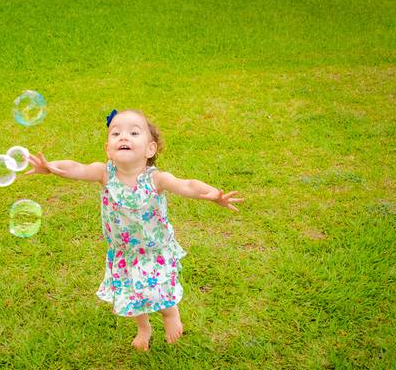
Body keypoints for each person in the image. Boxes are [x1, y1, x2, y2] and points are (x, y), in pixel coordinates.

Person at [25, 109, 243, 351]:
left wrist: (212, 194)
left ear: (150, 149)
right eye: (116, 133)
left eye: (134, 133)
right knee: (132, 293)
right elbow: (76, 167)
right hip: (124, 252)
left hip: (154, 250)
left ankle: (170, 314)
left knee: (159, 288)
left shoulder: (156, 179)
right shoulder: (104, 173)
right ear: (108, 149)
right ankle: (143, 327)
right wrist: (50, 167)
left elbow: (187, 185)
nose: (123, 137)